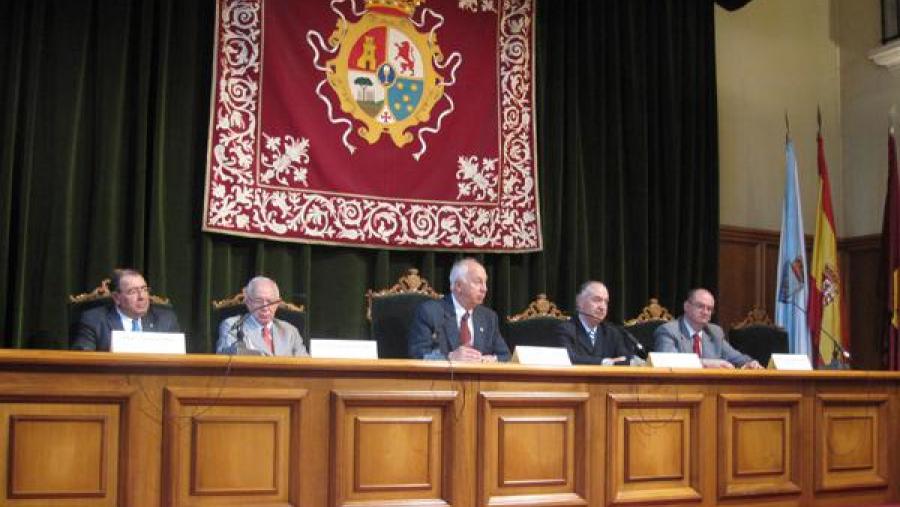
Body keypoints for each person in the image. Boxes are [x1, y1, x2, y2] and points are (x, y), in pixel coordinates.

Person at [407, 258, 510, 362]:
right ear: (458, 286)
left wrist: (491, 360)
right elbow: (418, 354)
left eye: (485, 283)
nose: (484, 289)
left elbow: (505, 356)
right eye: (478, 282)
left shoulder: (488, 317)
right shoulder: (430, 312)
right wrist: (450, 358)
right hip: (442, 377)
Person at [71, 268, 182, 351]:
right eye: (133, 292)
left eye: (144, 290)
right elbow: (83, 361)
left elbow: (178, 362)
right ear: (116, 298)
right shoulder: (94, 320)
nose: (142, 297)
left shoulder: (166, 320)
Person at [654, 288, 763, 369]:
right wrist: (706, 363)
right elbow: (667, 361)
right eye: (700, 306)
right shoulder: (668, 331)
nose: (705, 312)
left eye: (709, 309)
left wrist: (750, 363)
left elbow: (736, 357)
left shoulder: (715, 332)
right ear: (686, 306)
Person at [216, 276, 308, 357]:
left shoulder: (290, 331)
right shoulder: (233, 326)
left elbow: (305, 365)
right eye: (258, 301)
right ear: (248, 302)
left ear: (277, 303)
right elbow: (225, 360)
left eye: (270, 301)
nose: (265, 307)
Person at [555, 281, 641, 365]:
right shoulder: (565, 329)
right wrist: (605, 362)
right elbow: (568, 358)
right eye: (597, 300)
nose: (602, 307)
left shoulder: (612, 332)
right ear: (579, 301)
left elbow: (625, 359)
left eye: (606, 302)